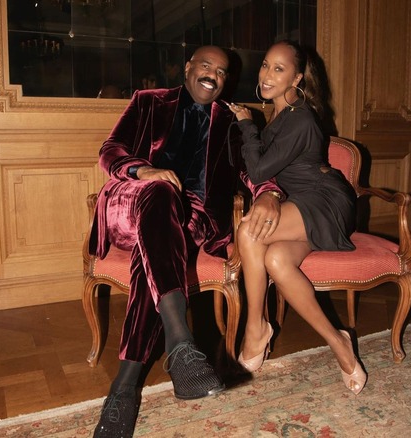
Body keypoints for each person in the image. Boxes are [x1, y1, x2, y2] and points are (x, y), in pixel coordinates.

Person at [89, 45, 283, 437]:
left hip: (191, 220)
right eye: (205, 65)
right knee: (161, 196)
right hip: (133, 200)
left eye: (222, 71)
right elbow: (109, 151)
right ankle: (179, 340)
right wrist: (142, 169)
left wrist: (268, 193)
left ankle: (125, 389)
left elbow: (252, 171)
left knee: (158, 255)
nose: (213, 74)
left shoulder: (230, 123)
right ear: (188, 67)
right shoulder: (148, 102)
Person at [226, 40, 365, 395]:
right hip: (300, 205)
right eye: (265, 65)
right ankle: (339, 341)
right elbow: (263, 174)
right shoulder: (280, 116)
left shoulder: (300, 116)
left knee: (249, 232)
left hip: (325, 202)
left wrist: (245, 124)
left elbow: (257, 171)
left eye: (279, 68)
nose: (268, 74)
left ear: (297, 78)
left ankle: (256, 328)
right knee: (275, 258)